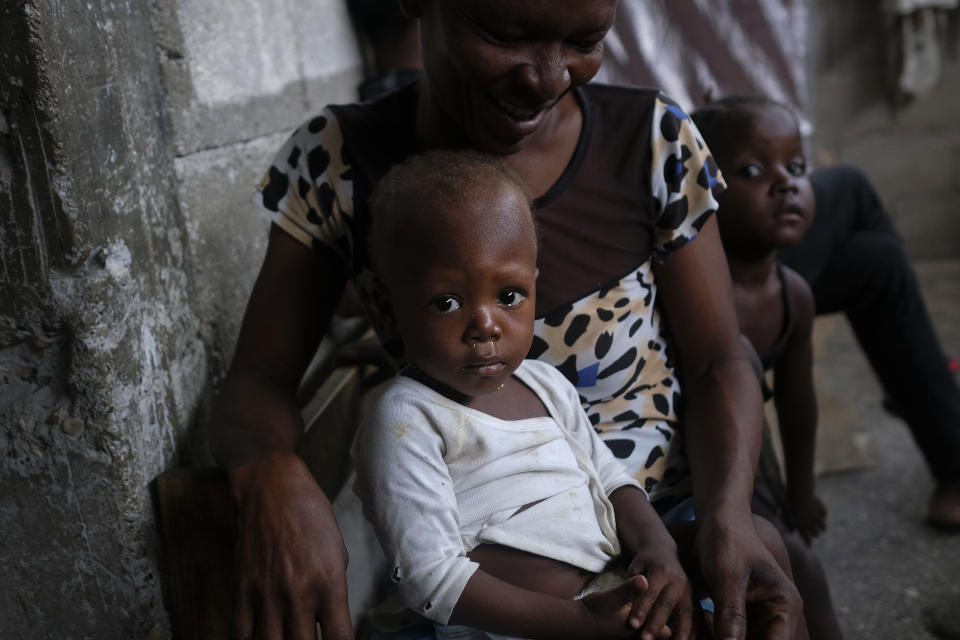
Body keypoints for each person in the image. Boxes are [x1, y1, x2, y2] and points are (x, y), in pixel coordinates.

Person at [208, 2, 806, 639]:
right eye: (505, 35)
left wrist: (727, 515)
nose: (547, 78)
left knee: (769, 593)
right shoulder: (339, 159)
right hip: (499, 578)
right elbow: (258, 380)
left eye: (584, 40)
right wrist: (272, 472)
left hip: (663, 518)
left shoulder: (651, 138)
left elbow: (720, 357)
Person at [353, 149, 695, 640]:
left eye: (509, 295)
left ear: (534, 285)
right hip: (512, 629)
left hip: (601, 591)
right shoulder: (407, 418)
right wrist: (577, 623)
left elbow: (610, 477)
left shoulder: (544, 383)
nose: (486, 326)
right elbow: (433, 578)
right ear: (389, 311)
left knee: (758, 544)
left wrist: (658, 548)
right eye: (446, 302)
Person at [692, 95, 844, 640]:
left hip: (761, 457)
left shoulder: (793, 295)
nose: (786, 184)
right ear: (703, 186)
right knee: (794, 566)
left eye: (796, 168)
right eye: (754, 171)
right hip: (697, 452)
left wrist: (802, 490)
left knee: (795, 556)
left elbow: (799, 400)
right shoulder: (699, 295)